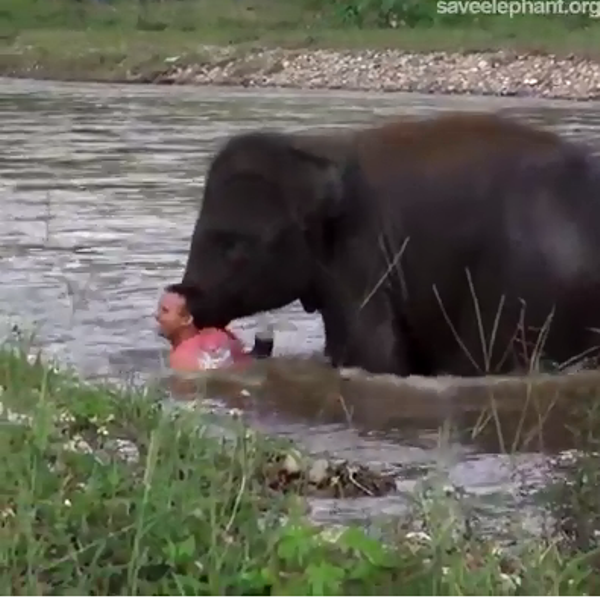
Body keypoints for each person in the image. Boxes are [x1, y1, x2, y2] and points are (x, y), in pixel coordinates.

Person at [155, 282, 274, 373]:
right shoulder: (219, 333)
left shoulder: (182, 357)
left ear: (187, 320)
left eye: (165, 311)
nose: (156, 315)